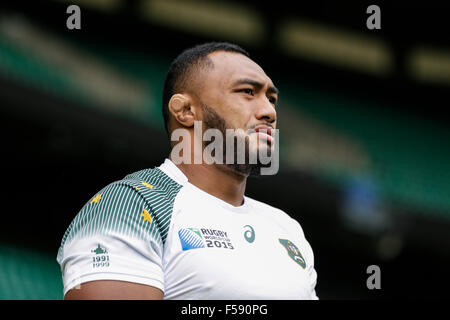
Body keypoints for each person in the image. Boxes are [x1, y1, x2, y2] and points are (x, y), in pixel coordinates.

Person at [57, 42, 318, 300]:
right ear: (185, 111)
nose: (269, 111)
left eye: (271, 99)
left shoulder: (287, 228)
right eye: (248, 91)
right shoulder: (133, 205)